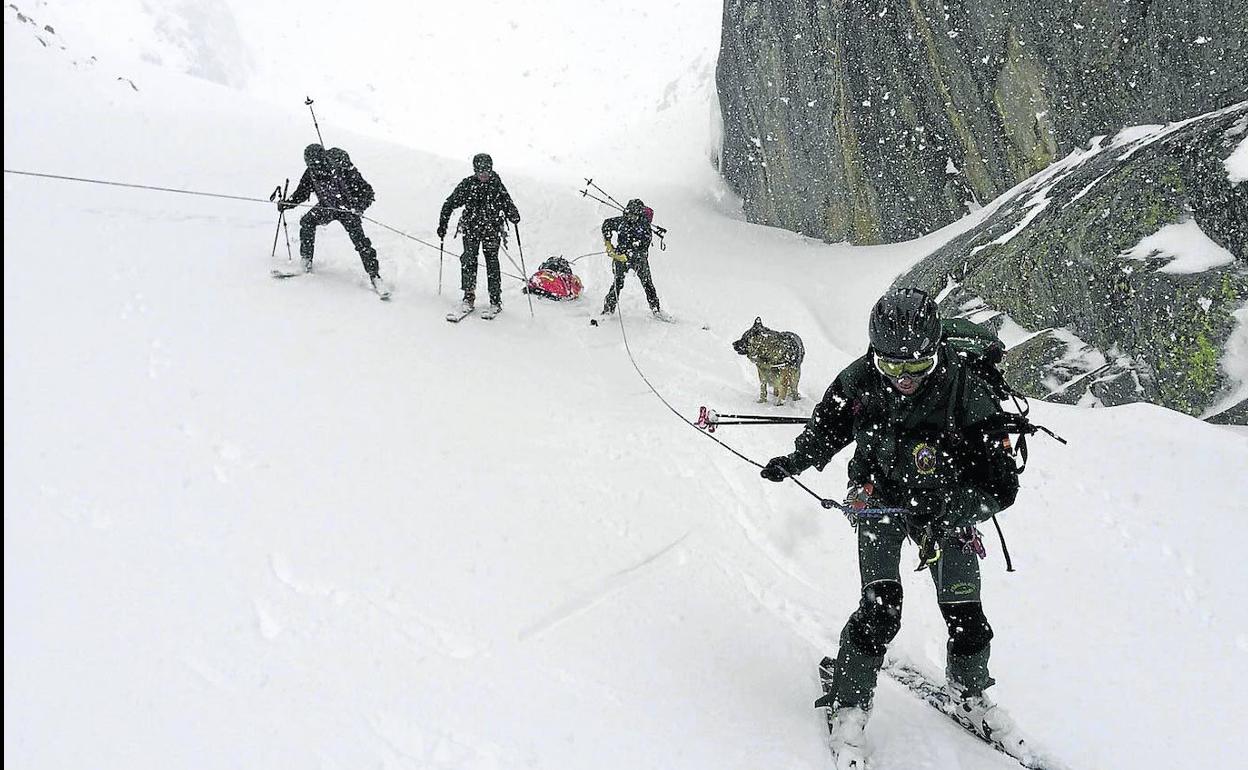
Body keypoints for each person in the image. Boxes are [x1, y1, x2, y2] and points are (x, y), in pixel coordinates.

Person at [760, 288, 1026, 769]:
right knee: (881, 608)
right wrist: (795, 461)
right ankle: (848, 705)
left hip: (948, 510)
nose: (904, 379)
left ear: (937, 351)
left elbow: (1001, 484)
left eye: (917, 368)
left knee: (965, 611)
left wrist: (954, 510)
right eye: (892, 367)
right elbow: (827, 429)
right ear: (875, 355)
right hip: (878, 498)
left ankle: (969, 692)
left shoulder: (968, 388)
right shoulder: (860, 379)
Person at [278, 143, 387, 295]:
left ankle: (375, 275)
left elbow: (367, 192)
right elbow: (301, 193)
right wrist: (287, 204)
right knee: (307, 222)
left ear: (323, 158)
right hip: (327, 207)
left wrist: (358, 208)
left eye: (316, 163)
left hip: (347, 210)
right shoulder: (310, 173)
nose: (315, 168)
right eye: (311, 164)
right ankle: (306, 260)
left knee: (360, 241)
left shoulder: (343, 169)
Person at [437, 153, 521, 319]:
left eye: (486, 171)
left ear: (491, 169)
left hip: (492, 230)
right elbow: (449, 204)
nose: (483, 174)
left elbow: (508, 203)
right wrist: (442, 224)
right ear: (475, 170)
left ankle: (495, 301)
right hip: (471, 229)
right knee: (468, 259)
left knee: (492, 263)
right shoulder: (468, 185)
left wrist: (513, 214)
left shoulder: (497, 185)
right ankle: (468, 297)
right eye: (479, 171)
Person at [600, 198, 669, 321]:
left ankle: (656, 309)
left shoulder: (645, 226)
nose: (630, 217)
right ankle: (608, 310)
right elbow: (606, 224)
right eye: (629, 214)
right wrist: (608, 243)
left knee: (647, 283)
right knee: (617, 283)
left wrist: (632, 254)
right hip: (620, 258)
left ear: (639, 214)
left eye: (634, 215)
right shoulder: (622, 221)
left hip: (639, 260)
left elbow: (644, 246)